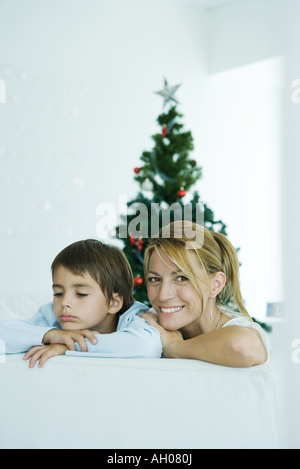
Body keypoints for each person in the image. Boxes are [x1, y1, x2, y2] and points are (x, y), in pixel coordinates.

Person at [0, 239, 162, 367]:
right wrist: (52, 335)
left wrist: (70, 347)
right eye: (58, 293)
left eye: (81, 294)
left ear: (114, 302)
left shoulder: (136, 316)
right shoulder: (51, 315)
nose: (65, 302)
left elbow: (147, 346)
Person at [140, 221, 269, 367]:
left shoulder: (239, 328)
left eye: (182, 278)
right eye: (155, 279)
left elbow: (243, 347)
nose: (163, 296)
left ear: (216, 285)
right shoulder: (151, 321)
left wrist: (175, 347)